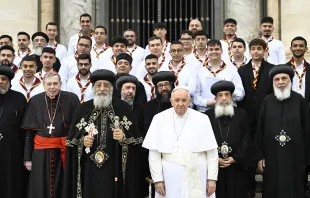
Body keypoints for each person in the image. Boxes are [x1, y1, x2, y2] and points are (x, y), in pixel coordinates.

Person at [65, 69, 143, 198]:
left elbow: (138, 140)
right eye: (98, 85)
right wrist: (82, 142)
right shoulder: (84, 108)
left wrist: (124, 138)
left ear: (112, 88)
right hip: (89, 168)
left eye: (106, 85)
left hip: (115, 166)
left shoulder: (123, 108)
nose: (102, 89)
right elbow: (70, 141)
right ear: (93, 88)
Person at [143, 86, 218, 198]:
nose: (180, 104)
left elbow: (212, 153)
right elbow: (154, 154)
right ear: (171, 101)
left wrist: (212, 179)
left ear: (190, 101)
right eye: (177, 100)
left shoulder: (202, 119)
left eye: (184, 100)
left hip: (197, 172)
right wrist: (157, 179)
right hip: (170, 175)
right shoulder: (159, 119)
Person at [255, 65, 310, 198]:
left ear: (290, 80)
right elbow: (260, 130)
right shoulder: (267, 101)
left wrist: (306, 159)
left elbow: (307, 129)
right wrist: (259, 156)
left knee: (295, 187)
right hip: (271, 155)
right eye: (277, 79)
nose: (280, 82)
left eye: (284, 78)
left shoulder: (299, 100)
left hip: (295, 156)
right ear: (273, 82)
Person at [22, 71, 80, 198]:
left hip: (64, 151)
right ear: (43, 85)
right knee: (40, 185)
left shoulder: (71, 99)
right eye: (49, 84)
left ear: (60, 84)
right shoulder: (35, 101)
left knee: (63, 185)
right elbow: (29, 133)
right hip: (40, 154)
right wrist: (27, 158)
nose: (52, 87)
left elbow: (78, 128)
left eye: (55, 84)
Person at [237, 38, 275, 197]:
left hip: (266, 116)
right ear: (249, 51)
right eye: (253, 49)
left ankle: (269, 187)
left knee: (266, 151)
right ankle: (250, 189)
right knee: (249, 153)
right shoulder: (242, 70)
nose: (256, 52)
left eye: (259, 48)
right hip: (247, 117)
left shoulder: (272, 70)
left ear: (265, 50)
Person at [205, 80, 251, 198]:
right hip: (215, 168)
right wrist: (216, 159)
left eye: (227, 94)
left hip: (237, 168)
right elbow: (203, 141)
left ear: (231, 97)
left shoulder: (241, 114)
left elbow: (246, 138)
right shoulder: (207, 116)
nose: (224, 98)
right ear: (215, 98)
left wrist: (235, 158)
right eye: (220, 95)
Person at [193, 39, 244, 112]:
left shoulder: (232, 70)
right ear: (206, 52)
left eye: (217, 49)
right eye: (211, 49)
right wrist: (207, 103)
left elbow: (241, 94)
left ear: (222, 51)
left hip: (227, 111)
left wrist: (228, 88)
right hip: (205, 112)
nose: (214, 52)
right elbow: (195, 95)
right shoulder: (200, 71)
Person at [0, 66, 27, 198]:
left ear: (9, 82)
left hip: (12, 151)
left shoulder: (19, 98)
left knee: (11, 183)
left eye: (4, 79)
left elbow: (24, 127)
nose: (0, 81)